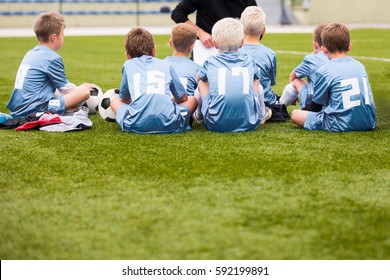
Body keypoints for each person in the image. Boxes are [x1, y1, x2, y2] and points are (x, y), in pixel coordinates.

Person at [6, 11, 95, 118]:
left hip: (18, 109)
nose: (63, 38)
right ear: (54, 37)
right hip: (35, 110)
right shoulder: (52, 58)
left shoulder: (30, 53)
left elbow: (53, 89)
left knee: (57, 91)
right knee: (84, 92)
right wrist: (81, 88)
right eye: (62, 35)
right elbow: (66, 89)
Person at [110, 27, 198, 134]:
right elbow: (183, 98)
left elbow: (124, 99)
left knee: (114, 100)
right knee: (192, 99)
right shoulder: (166, 65)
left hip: (135, 124)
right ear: (154, 50)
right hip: (170, 124)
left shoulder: (128, 65)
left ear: (127, 55)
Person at [291, 23, 376, 132]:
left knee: (295, 114)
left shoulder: (325, 71)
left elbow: (315, 107)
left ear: (324, 49)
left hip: (340, 124)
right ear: (349, 46)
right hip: (368, 122)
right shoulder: (360, 66)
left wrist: (303, 110)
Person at [196, 17, 264, 132]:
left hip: (215, 123)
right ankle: (261, 113)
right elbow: (257, 78)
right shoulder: (249, 60)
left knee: (202, 83)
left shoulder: (210, 61)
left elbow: (198, 79)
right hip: (250, 122)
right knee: (256, 81)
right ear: (242, 43)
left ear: (214, 44)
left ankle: (199, 115)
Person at [279, 23, 329, 108]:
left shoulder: (311, 59)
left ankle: (280, 105)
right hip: (334, 104)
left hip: (314, 106)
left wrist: (294, 95)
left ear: (315, 44)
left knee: (296, 81)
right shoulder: (337, 59)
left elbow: (293, 76)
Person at [171, 0, 257, 49]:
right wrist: (200, 33)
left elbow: (254, 21)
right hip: (207, 48)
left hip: (236, 49)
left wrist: (245, 40)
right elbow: (177, 13)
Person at [239, 6, 279, 107]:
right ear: (263, 30)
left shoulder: (234, 51)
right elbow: (271, 82)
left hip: (242, 101)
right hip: (266, 102)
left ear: (241, 28)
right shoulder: (269, 54)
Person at [164, 23, 201, 97]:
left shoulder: (160, 65)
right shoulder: (198, 70)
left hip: (164, 107)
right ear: (191, 47)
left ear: (171, 43)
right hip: (186, 107)